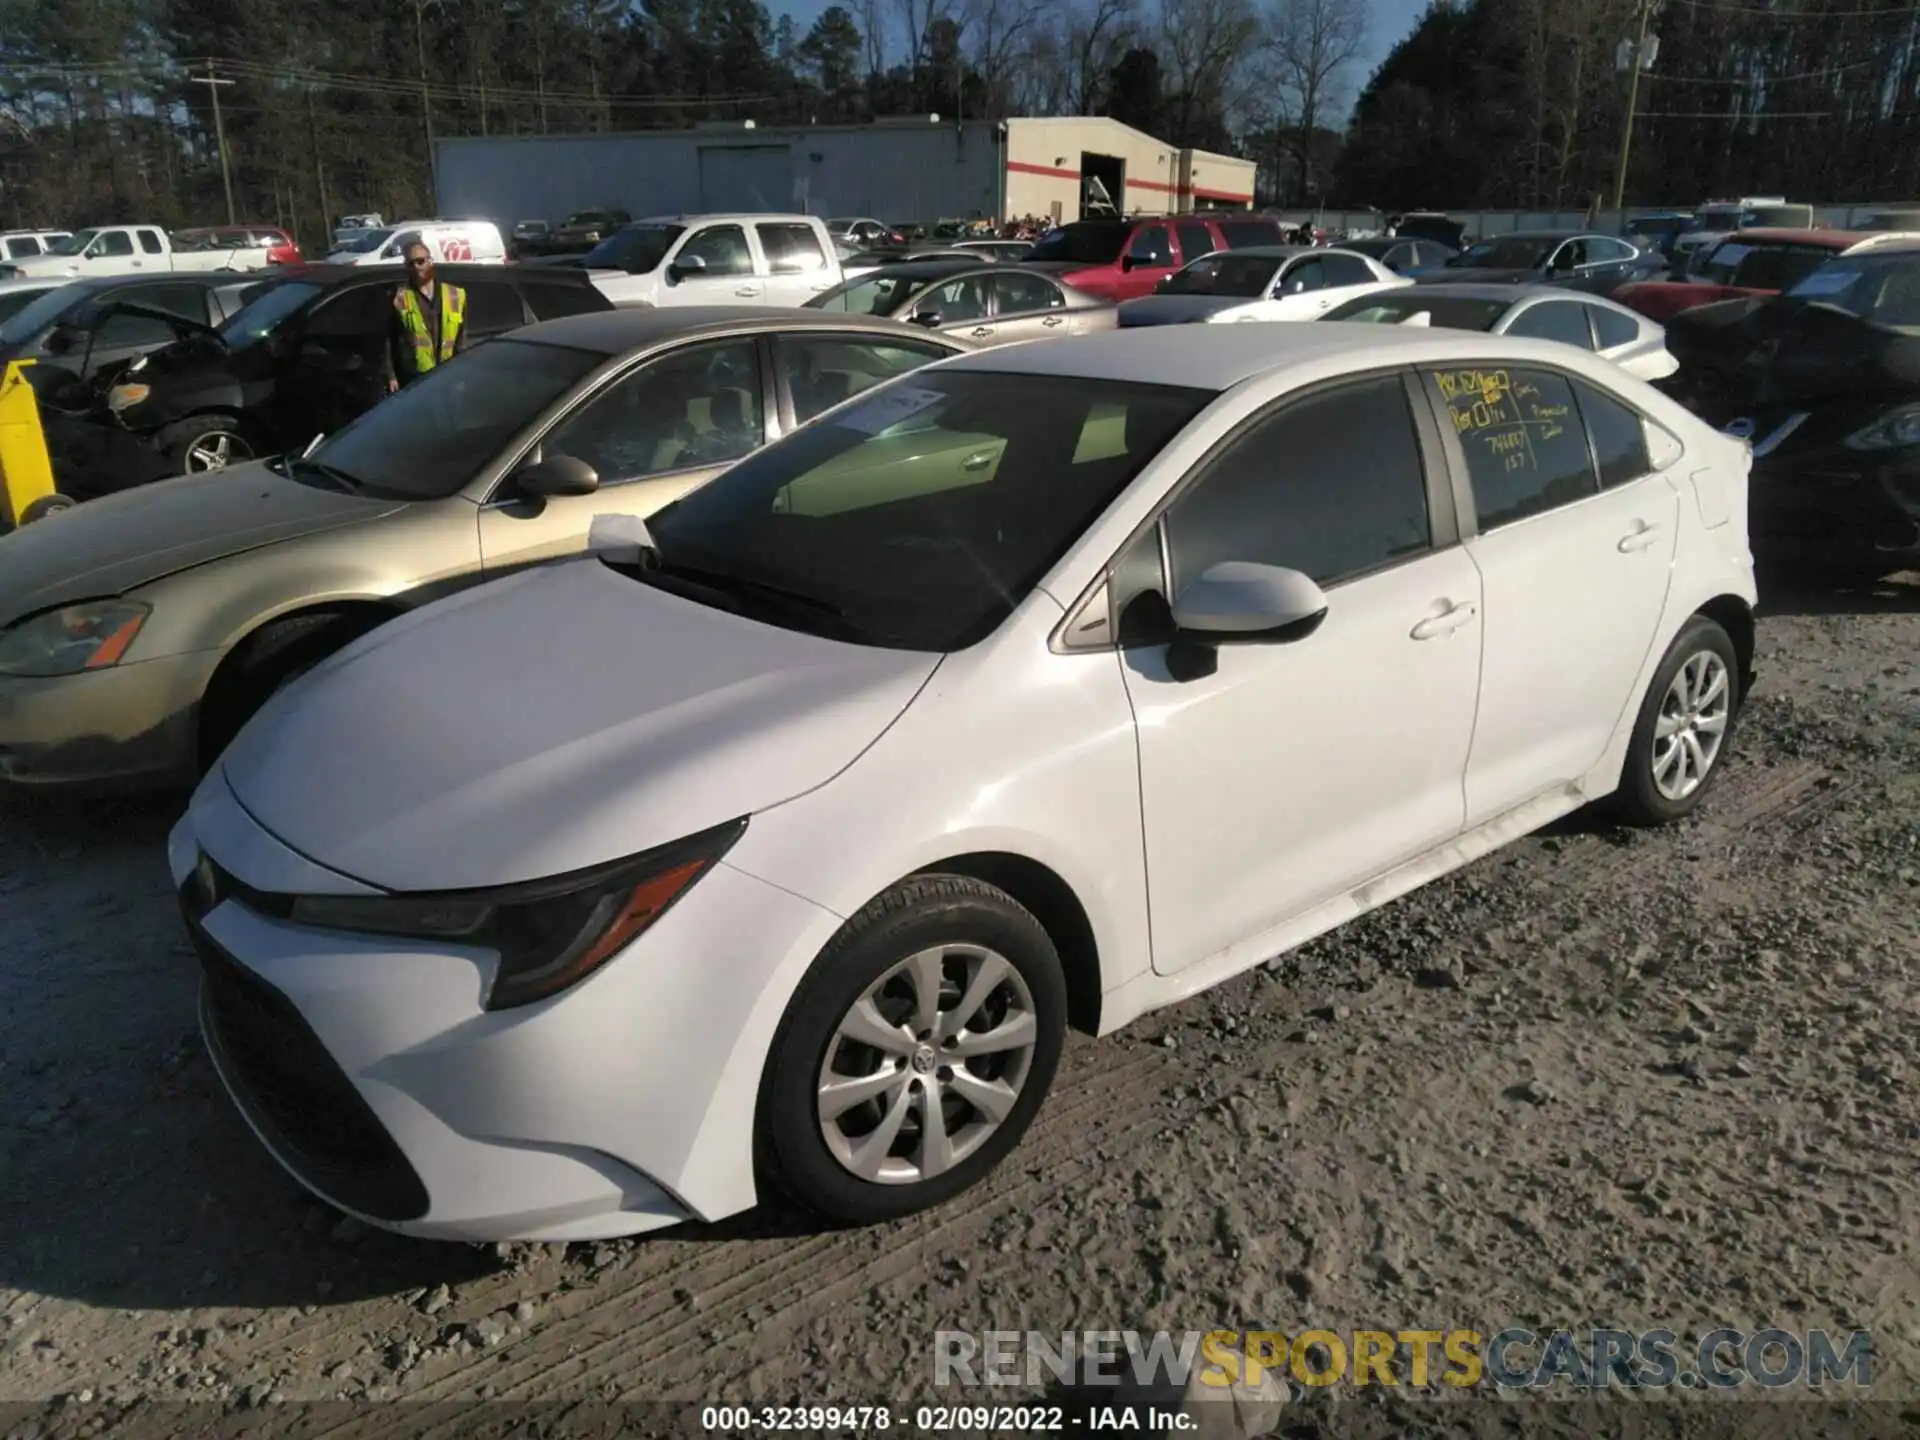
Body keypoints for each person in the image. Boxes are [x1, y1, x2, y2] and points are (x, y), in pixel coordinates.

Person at [386, 240, 467, 392]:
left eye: (420, 261)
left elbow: (461, 339)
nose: (416, 267)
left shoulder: (455, 295)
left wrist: (461, 372)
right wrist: (391, 376)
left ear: (430, 262)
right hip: (416, 379)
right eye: (411, 264)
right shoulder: (400, 297)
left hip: (447, 374)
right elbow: (390, 340)